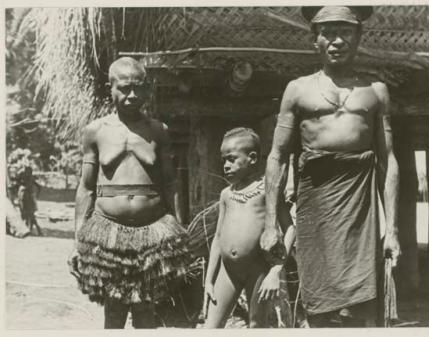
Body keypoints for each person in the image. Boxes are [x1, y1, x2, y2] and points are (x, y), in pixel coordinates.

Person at [260, 6, 401, 327]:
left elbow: (387, 160)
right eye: (328, 32)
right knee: (318, 304)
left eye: (345, 32)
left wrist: (391, 229)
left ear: (359, 37)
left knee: (362, 305)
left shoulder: (376, 92)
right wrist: (270, 225)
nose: (337, 40)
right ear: (315, 41)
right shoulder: (297, 90)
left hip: (361, 211)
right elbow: (277, 157)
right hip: (316, 209)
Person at [67, 57, 192, 329]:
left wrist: (179, 229)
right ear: (109, 87)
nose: (132, 95)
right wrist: (79, 238)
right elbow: (86, 187)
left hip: (152, 232)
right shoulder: (95, 131)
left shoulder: (159, 131)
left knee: (146, 310)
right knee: (113, 311)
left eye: (138, 87)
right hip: (108, 233)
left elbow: (170, 184)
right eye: (124, 88)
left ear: (147, 89)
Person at [203, 127, 295, 328]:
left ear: (252, 158)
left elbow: (290, 229)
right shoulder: (226, 194)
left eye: (232, 159)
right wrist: (209, 280)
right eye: (223, 161)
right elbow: (218, 237)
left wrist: (275, 271)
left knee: (256, 325)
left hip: (258, 269)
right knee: (210, 327)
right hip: (227, 271)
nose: (226, 166)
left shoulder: (267, 191)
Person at [17, 166, 42, 235]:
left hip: (29, 200)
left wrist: (36, 195)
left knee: (30, 216)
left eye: (28, 172)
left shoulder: (30, 179)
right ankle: (29, 229)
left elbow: (39, 187)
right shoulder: (24, 179)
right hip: (25, 199)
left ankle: (37, 231)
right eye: (26, 172)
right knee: (27, 215)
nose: (27, 173)